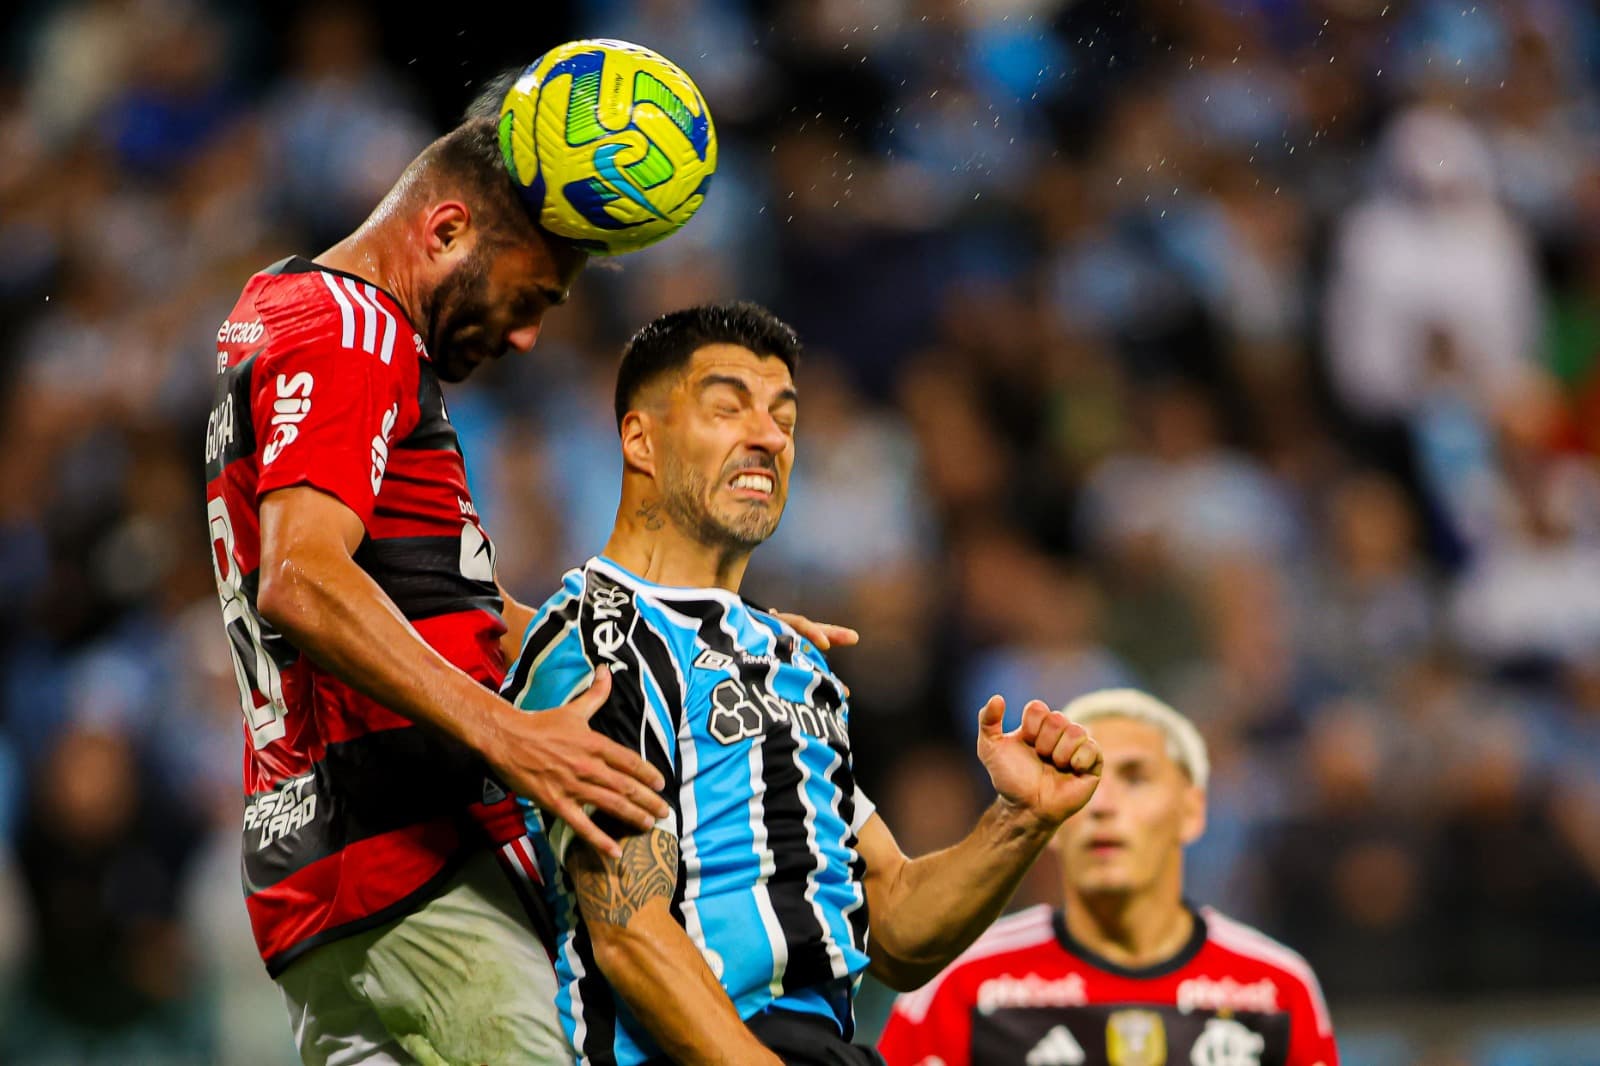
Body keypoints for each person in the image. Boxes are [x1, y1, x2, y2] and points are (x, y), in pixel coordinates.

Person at [202, 71, 849, 1063]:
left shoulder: (282, 311)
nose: (526, 334)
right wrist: (512, 735)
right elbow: (302, 580)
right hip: (416, 872)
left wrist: (704, 639)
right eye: (529, 294)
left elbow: (452, 604)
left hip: (323, 890)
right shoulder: (353, 330)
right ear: (447, 229)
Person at [504, 302, 1105, 1065]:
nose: (769, 436)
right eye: (728, 408)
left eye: (785, 416)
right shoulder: (601, 635)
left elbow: (893, 926)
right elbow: (631, 934)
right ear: (640, 439)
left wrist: (1019, 820)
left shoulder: (796, 658)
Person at [878, 689, 1338, 1066]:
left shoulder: (1277, 990)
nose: (1101, 806)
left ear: (1192, 810)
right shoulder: (961, 984)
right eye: (1081, 780)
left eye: (1135, 778)